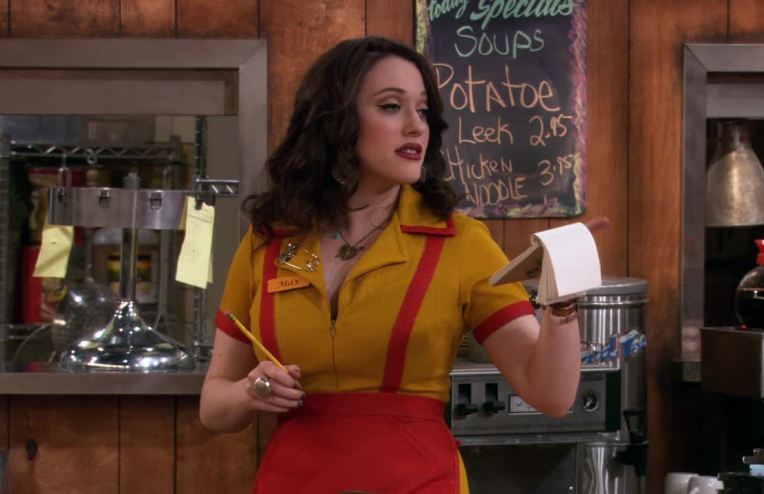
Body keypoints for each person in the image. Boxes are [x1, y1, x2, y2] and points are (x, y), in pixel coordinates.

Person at [200, 36, 587, 493]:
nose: (416, 126)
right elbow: (213, 408)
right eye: (391, 106)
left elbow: (551, 395)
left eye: (422, 111)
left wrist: (563, 297)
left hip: (419, 482)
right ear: (335, 120)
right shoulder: (271, 242)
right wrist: (250, 391)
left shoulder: (460, 243)